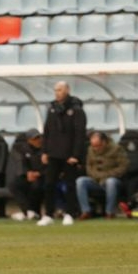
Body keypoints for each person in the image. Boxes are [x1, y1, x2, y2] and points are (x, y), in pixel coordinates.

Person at [38, 81, 86, 226]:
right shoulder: (52, 109)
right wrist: (44, 151)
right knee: (49, 184)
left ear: (67, 90)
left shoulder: (76, 110)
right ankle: (48, 214)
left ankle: (70, 213)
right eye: (55, 90)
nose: (57, 93)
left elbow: (79, 134)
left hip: (69, 154)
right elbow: (47, 131)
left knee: (70, 185)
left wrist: (76, 155)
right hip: (53, 153)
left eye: (59, 90)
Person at [76, 131, 129, 219]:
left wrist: (106, 175)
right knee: (80, 181)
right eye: (94, 146)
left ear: (104, 142)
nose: (96, 149)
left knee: (111, 182)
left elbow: (123, 167)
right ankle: (86, 211)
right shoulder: (90, 150)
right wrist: (96, 175)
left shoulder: (116, 149)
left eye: (98, 146)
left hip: (111, 179)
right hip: (95, 180)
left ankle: (109, 212)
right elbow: (89, 166)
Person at [10, 129, 45, 222]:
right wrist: (27, 172)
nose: (38, 140)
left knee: (36, 186)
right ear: (29, 140)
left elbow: (50, 166)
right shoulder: (24, 149)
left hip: (43, 176)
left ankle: (34, 212)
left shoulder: (46, 149)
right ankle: (28, 211)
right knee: (14, 184)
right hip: (29, 175)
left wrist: (39, 173)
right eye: (35, 139)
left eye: (39, 137)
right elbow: (22, 163)